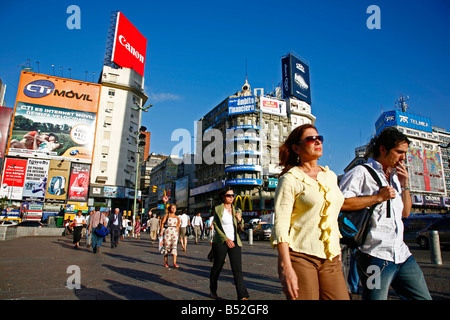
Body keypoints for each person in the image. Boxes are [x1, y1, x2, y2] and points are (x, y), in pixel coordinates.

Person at [339, 127, 432, 300]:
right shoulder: (360, 173)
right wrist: (377, 197)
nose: (403, 158)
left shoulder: (396, 177)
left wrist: (404, 185)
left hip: (402, 255)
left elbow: (405, 213)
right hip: (374, 256)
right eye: (399, 152)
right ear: (383, 149)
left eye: (405, 153)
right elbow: (341, 203)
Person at [272, 124, 349, 300]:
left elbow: (335, 212)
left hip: (331, 257)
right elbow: (281, 223)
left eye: (318, 138)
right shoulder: (290, 178)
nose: (317, 142)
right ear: (296, 148)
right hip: (301, 255)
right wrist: (286, 265)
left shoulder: (330, 176)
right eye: (310, 139)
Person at [209, 187, 249, 300]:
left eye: (233, 195)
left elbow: (241, 227)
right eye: (228, 195)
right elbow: (216, 225)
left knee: (237, 269)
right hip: (221, 242)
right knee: (217, 267)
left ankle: (242, 295)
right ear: (223, 197)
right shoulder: (218, 209)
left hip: (235, 241)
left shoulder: (237, 210)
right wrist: (226, 239)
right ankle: (213, 290)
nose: (231, 197)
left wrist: (240, 219)